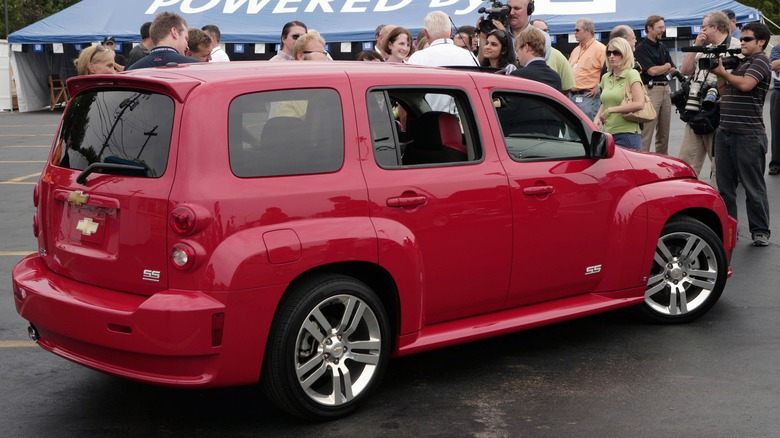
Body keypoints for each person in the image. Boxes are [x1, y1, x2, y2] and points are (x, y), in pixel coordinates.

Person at [710, 22, 772, 247]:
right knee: (725, 187)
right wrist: (718, 76)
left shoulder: (760, 61)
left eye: (747, 39)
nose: (742, 42)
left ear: (761, 42)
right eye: (742, 39)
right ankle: (729, 228)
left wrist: (723, 72)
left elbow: (746, 85)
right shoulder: (743, 62)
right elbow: (725, 91)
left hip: (748, 135)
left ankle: (760, 231)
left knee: (752, 186)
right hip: (725, 132)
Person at [678, 11, 740, 186]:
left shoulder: (735, 47)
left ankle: (716, 205)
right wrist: (697, 44)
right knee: (686, 161)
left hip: (718, 112)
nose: (701, 30)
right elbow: (686, 70)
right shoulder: (703, 48)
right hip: (695, 110)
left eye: (704, 27)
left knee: (718, 165)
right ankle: (685, 199)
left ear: (715, 27)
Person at [634, 15, 677, 155]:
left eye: (663, 27)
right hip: (651, 90)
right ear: (649, 28)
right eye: (659, 27)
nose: (662, 30)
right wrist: (666, 65)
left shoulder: (662, 47)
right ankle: (642, 162)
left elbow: (673, 68)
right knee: (647, 132)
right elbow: (652, 71)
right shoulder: (641, 48)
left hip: (665, 89)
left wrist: (663, 68)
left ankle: (662, 161)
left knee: (664, 133)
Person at [594, 37, 644, 150]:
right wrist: (597, 117)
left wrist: (611, 110)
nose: (611, 56)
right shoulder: (606, 77)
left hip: (627, 134)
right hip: (608, 134)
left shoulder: (632, 74)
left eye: (616, 52)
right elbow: (606, 102)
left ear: (625, 53)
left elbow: (639, 103)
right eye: (609, 52)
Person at [126, 12, 199, 70]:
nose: (187, 47)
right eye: (186, 38)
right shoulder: (194, 67)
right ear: (174, 32)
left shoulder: (133, 70)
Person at [568, 18, 606, 120]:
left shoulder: (600, 49)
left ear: (588, 31)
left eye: (577, 30)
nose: (574, 33)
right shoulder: (576, 50)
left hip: (588, 97)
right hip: (571, 96)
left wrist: (599, 87)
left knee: (588, 130)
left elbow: (609, 71)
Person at [511, 27, 561, 92]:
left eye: (517, 50)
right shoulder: (555, 77)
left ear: (526, 47)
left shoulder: (517, 76)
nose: (517, 56)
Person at [531, 19, 574, 94]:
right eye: (539, 31)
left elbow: (567, 85)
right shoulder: (524, 52)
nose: (543, 34)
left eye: (545, 31)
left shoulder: (557, 55)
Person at [769, 39, 780, 175]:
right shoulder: (777, 48)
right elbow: (775, 65)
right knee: (777, 129)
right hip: (779, 92)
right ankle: (776, 163)